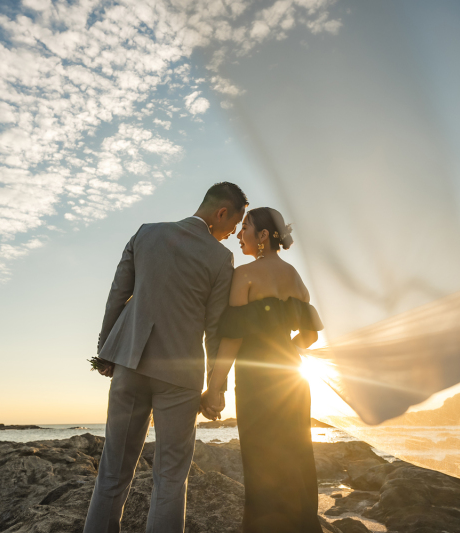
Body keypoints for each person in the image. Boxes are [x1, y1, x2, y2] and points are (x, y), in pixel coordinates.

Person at [84, 182, 248, 533]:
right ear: (221, 213)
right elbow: (215, 330)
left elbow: (117, 295)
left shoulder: (146, 234)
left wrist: (105, 353)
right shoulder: (221, 259)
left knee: (112, 471)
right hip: (180, 377)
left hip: (130, 363)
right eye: (233, 225)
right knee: (171, 478)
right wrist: (216, 389)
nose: (232, 234)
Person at [201, 207, 324, 533]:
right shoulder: (294, 276)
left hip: (257, 384)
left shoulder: (244, 275)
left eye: (245, 227)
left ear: (264, 236)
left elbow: (232, 340)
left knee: (261, 466)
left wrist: (213, 389)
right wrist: (285, 350)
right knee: (298, 459)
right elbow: (310, 335)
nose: (240, 235)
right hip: (292, 380)